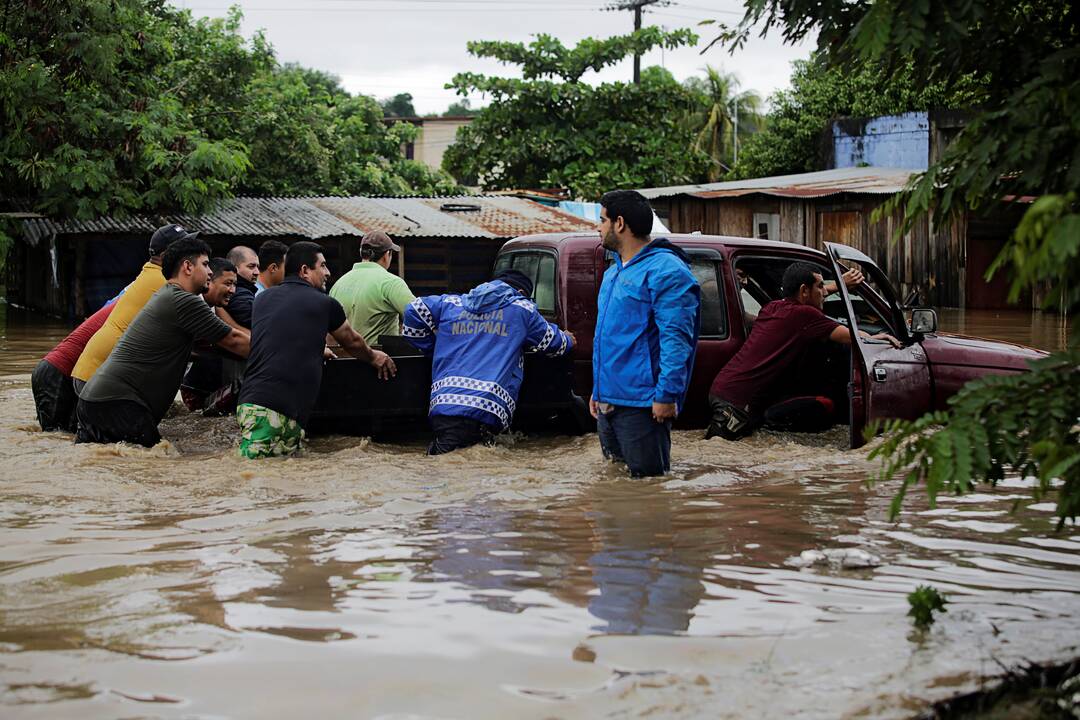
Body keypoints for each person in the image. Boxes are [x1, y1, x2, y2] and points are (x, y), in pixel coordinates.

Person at [75, 237, 250, 447]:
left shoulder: (168, 295)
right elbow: (233, 340)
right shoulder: (184, 300)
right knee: (158, 464)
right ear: (187, 267)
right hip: (118, 403)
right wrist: (281, 352)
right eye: (205, 264)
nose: (210, 272)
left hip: (99, 400)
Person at [236, 241, 396, 459]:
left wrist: (319, 349)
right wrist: (374, 356)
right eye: (322, 266)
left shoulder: (262, 299)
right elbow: (351, 341)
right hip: (274, 410)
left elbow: (282, 337)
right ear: (304, 270)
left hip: (256, 403)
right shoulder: (324, 303)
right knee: (256, 476)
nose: (328, 272)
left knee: (278, 477)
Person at [706, 261, 900, 441]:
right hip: (736, 404)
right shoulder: (806, 315)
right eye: (821, 286)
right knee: (715, 454)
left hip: (724, 389)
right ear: (804, 291)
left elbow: (811, 295)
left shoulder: (772, 307)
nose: (824, 292)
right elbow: (852, 337)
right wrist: (876, 337)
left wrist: (839, 285)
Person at [402, 268, 575, 455]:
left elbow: (414, 310)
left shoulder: (453, 302)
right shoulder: (522, 309)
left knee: (447, 468)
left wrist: (435, 349)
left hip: (443, 406)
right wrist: (568, 339)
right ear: (522, 293)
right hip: (485, 409)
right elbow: (553, 344)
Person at [590, 189, 700, 477]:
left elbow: (676, 340)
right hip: (608, 402)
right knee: (615, 488)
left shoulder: (667, 270)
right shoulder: (614, 272)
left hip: (642, 406)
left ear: (620, 224)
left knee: (649, 489)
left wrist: (667, 395)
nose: (597, 228)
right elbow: (609, 337)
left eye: (602, 220)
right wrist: (598, 389)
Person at [71, 223, 192, 392]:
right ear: (167, 255)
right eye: (186, 249)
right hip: (99, 377)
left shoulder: (151, 274)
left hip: (91, 372)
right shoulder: (164, 282)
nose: (191, 255)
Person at [31, 300, 116, 432]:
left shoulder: (122, 303)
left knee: (67, 435)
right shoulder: (131, 309)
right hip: (57, 375)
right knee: (55, 439)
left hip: (56, 373)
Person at [180, 257, 245, 413]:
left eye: (235, 284)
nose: (233, 290)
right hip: (191, 388)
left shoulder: (216, 307)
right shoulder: (194, 304)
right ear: (208, 281)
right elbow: (232, 340)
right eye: (228, 284)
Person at [329, 230, 415, 346]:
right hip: (381, 360)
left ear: (362, 253)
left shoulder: (338, 285)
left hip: (342, 360)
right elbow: (417, 315)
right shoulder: (390, 282)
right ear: (386, 255)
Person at [225, 245, 260, 328]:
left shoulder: (245, 290)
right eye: (251, 266)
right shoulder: (239, 295)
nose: (257, 272)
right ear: (234, 268)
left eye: (258, 267)